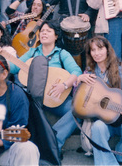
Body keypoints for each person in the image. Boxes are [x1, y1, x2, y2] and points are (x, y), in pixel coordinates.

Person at [10, 20, 82, 157]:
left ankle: (55, 141)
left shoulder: (62, 54)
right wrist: (1, 55)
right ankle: (48, 143)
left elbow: (76, 72)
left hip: (55, 97)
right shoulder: (32, 52)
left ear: (56, 36)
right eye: (42, 31)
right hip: (33, 98)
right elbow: (14, 67)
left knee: (78, 110)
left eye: (48, 31)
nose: (43, 33)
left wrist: (64, 85)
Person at [77, 36, 122, 165]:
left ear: (107, 49)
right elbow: (80, 99)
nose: (97, 53)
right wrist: (79, 81)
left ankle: (121, 153)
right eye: (93, 50)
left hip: (121, 118)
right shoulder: (89, 71)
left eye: (100, 48)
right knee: (97, 127)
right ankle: (107, 162)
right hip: (102, 119)